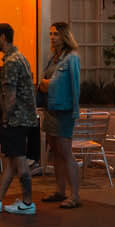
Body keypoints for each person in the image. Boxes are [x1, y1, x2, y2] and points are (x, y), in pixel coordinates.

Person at [0, 23, 38, 215]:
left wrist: (4, 117)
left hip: (15, 120)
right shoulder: (21, 58)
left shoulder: (11, 62)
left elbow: (10, 96)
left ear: (3, 38)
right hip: (25, 118)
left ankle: (28, 202)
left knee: (19, 161)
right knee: (11, 162)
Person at [38, 21, 83, 209]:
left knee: (65, 151)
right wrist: (45, 83)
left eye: (56, 34)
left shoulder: (71, 58)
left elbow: (72, 84)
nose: (52, 37)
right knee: (55, 151)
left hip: (63, 109)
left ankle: (75, 195)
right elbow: (42, 81)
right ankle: (60, 190)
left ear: (64, 35)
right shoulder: (53, 57)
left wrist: (75, 109)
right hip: (50, 108)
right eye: (50, 34)